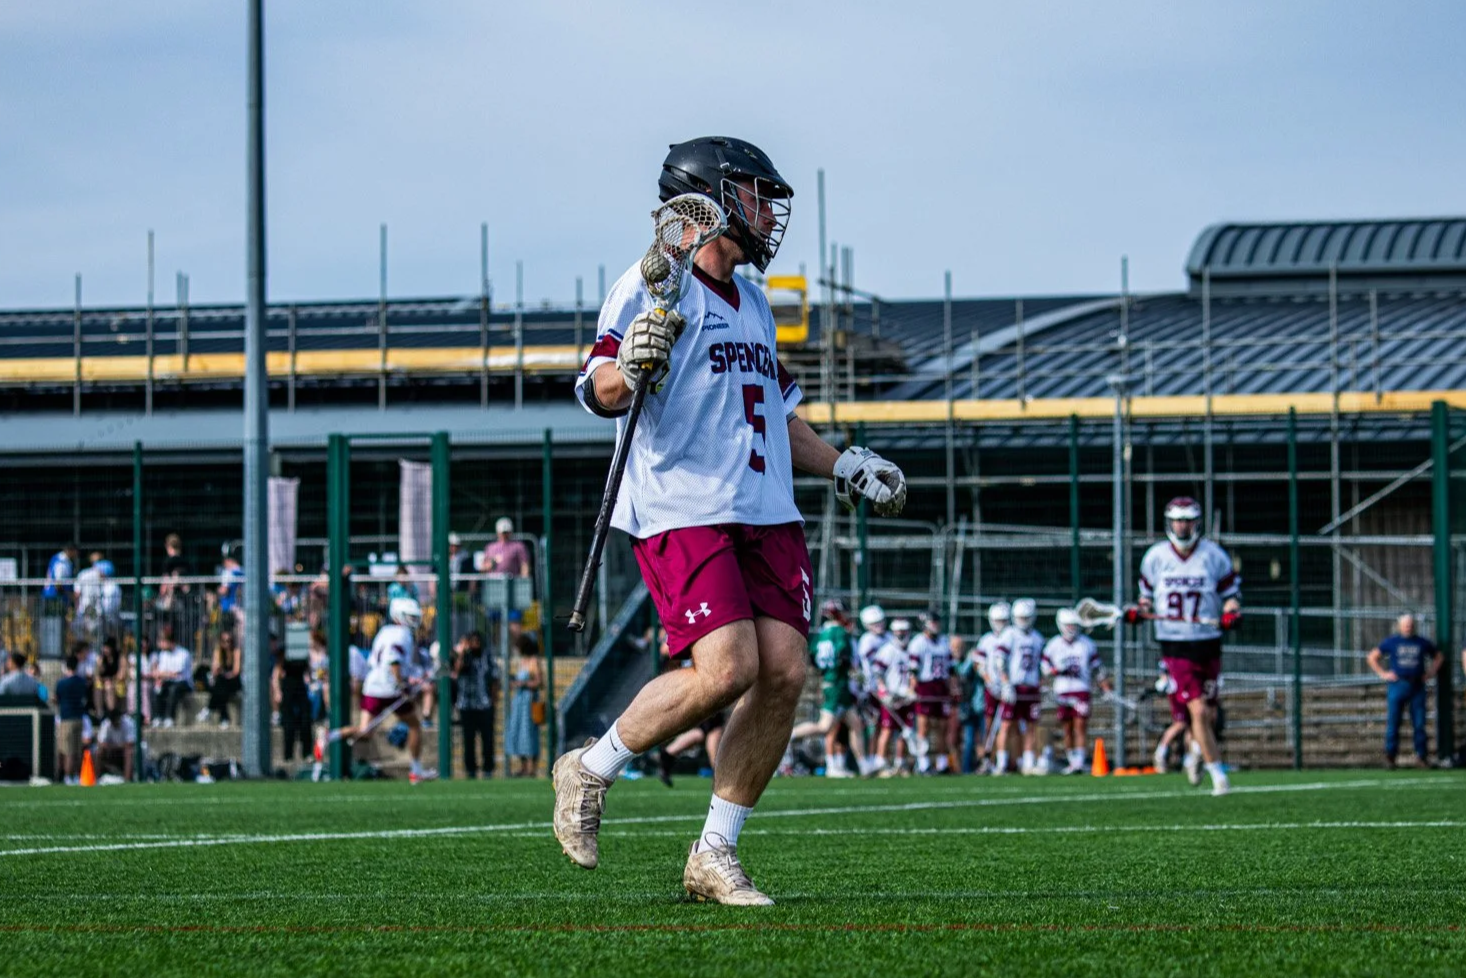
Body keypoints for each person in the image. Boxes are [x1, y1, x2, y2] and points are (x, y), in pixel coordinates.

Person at [553, 135, 906, 906]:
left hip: (764, 509)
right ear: (706, 201)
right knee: (728, 669)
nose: (767, 212)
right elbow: (597, 385)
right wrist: (631, 364)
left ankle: (715, 852)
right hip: (686, 507)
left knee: (783, 671)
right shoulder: (653, 284)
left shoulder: (750, 302)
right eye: (752, 194)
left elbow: (778, 415)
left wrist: (844, 464)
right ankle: (590, 766)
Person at [1125, 496, 1242, 796]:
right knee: (1199, 711)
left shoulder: (1213, 555)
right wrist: (1140, 611)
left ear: (1197, 522)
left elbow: (1230, 595)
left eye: (1188, 519)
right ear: (1169, 522)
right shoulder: (1156, 557)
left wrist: (1230, 613)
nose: (1183, 525)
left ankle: (1194, 754)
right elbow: (1146, 598)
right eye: (1178, 519)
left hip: (1208, 642)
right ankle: (1219, 775)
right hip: (1175, 645)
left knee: (1210, 715)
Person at [317, 597, 434, 784]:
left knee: (365, 731)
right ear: (399, 616)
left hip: (373, 685)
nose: (414, 621)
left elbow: (381, 661)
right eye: (410, 617)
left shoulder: (385, 631)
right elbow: (393, 661)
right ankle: (416, 770)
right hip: (389, 687)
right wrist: (402, 685)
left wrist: (410, 678)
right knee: (414, 725)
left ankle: (330, 735)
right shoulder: (402, 634)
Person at [789, 600, 868, 778]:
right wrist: (857, 674)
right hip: (837, 685)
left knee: (855, 724)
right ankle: (791, 735)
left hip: (830, 682)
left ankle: (864, 765)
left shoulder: (821, 635)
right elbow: (844, 657)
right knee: (825, 726)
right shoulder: (841, 633)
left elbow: (813, 658)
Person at [1366, 613, 1442, 769]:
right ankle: (1390, 757)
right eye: (1405, 624)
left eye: (1411, 624)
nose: (1408, 626)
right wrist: (1383, 674)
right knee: (1393, 722)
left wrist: (1429, 673)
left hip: (1417, 686)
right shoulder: (1392, 641)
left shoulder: (1421, 642)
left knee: (1419, 723)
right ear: (1399, 625)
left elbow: (1439, 657)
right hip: (1398, 685)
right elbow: (1372, 657)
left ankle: (1421, 757)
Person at [1042, 608, 1110, 775]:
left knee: (1080, 725)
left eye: (1074, 625)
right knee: (1067, 727)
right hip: (1063, 691)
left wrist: (1105, 687)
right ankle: (1072, 760)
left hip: (1081, 690)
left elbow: (1097, 669)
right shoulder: (1054, 645)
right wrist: (1057, 670)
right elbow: (1044, 668)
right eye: (1069, 625)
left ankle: (1079, 761)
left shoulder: (1087, 644)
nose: (1072, 628)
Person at [993, 598, 1045, 776]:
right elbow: (1000, 660)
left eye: (1026, 617)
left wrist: (1042, 682)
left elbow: (1041, 665)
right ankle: (1002, 763)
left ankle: (1029, 762)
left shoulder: (1037, 637)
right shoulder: (1009, 634)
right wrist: (1006, 683)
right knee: (1006, 725)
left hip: (1030, 686)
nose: (1023, 621)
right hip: (1013, 686)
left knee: (1031, 726)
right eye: (1020, 618)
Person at [908, 611, 953, 774]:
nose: (936, 625)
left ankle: (942, 763)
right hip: (925, 685)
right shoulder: (918, 642)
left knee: (942, 726)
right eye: (932, 622)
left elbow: (951, 668)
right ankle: (923, 763)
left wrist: (953, 687)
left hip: (941, 686)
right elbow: (912, 670)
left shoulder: (944, 641)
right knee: (924, 726)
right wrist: (912, 688)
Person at [871, 618, 916, 776]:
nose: (901, 635)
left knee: (905, 731)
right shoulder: (888, 650)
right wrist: (883, 691)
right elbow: (877, 673)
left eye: (904, 632)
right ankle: (880, 762)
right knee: (887, 730)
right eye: (898, 632)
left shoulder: (912, 649)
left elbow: (914, 674)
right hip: (891, 696)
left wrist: (911, 690)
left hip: (906, 696)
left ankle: (899, 763)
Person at [452, 630, 498, 778]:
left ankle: (488, 769)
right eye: (472, 642)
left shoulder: (487, 657)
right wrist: (462, 652)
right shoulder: (464, 657)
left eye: (477, 642)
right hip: (466, 705)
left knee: (487, 739)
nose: (475, 645)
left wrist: (493, 701)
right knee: (468, 739)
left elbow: (494, 678)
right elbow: (456, 672)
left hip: (484, 704)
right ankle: (470, 769)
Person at [974, 602, 1010, 773]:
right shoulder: (987, 639)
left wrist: (1007, 684)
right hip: (992, 687)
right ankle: (986, 758)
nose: (1000, 624)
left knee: (1007, 726)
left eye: (1003, 620)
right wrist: (987, 679)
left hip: (1009, 688)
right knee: (988, 725)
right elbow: (978, 663)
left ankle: (1005, 760)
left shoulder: (1012, 636)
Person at [506, 633, 544, 777]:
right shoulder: (522, 661)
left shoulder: (534, 661)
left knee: (529, 732)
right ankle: (523, 766)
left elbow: (539, 682)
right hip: (518, 702)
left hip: (529, 701)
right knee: (517, 731)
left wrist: (525, 684)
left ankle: (531, 768)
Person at [273, 638, 312, 764]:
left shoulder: (303, 655)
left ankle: (307, 753)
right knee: (288, 725)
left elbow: (308, 672)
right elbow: (276, 674)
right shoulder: (283, 654)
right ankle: (288, 755)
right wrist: (277, 691)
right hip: (288, 689)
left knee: (305, 722)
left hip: (300, 689)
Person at [54, 654, 90, 785]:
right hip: (79, 718)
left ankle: (68, 776)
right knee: (76, 749)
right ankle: (75, 775)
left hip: (66, 719)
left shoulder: (62, 683)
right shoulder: (81, 682)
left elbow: (56, 698)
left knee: (67, 750)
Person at [149, 624, 193, 728]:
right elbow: (160, 672)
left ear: (171, 642)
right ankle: (157, 717)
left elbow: (176, 673)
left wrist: (162, 674)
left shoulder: (183, 653)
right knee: (157, 688)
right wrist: (160, 678)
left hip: (183, 683)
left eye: (163, 641)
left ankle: (169, 718)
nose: (161, 643)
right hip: (168, 681)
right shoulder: (163, 654)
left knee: (173, 689)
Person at [197, 630, 241, 727]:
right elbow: (215, 670)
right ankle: (224, 718)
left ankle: (209, 709)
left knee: (220, 686)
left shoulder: (236, 652)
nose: (227, 644)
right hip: (223, 683)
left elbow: (236, 671)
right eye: (224, 641)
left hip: (234, 681)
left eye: (229, 641)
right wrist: (217, 669)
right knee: (221, 688)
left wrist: (225, 675)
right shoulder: (218, 652)